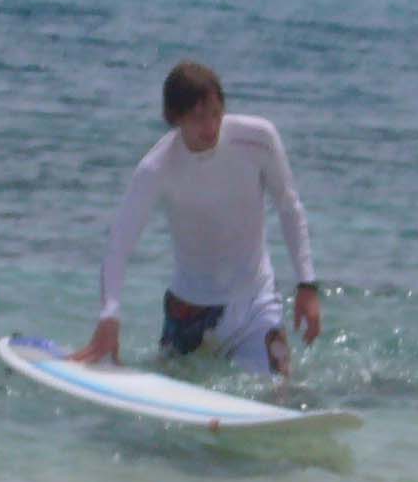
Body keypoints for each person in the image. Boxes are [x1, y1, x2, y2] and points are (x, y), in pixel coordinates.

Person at [73, 60, 322, 377]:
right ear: (175, 118)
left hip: (256, 304)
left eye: (216, 113)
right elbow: (118, 246)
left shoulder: (258, 139)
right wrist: (110, 315)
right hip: (188, 312)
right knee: (173, 400)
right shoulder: (156, 169)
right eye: (198, 117)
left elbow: (289, 207)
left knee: (279, 392)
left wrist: (307, 285)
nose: (211, 126)